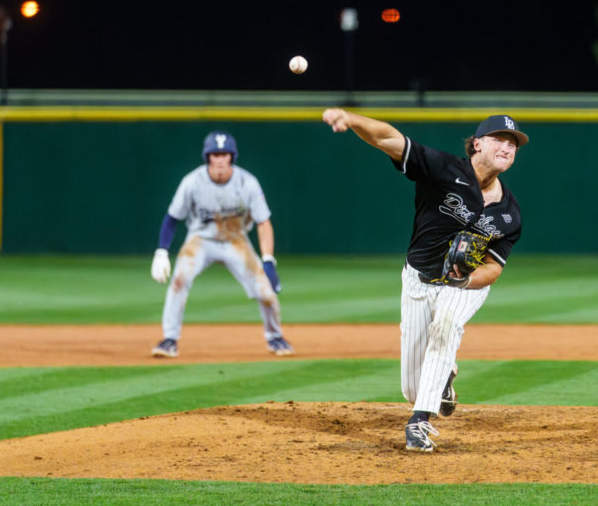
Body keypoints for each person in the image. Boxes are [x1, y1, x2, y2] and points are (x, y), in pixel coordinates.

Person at [322, 109, 528, 452]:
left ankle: (418, 424)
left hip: (464, 285)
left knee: (446, 324)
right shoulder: (443, 169)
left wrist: (465, 282)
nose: (507, 147)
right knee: (413, 388)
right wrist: (352, 119)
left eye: (513, 144)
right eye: (499, 139)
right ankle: (441, 380)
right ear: (477, 144)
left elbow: (493, 267)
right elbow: (388, 139)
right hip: (418, 279)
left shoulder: (509, 213)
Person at [150, 130, 294, 358]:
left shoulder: (247, 182)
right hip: (201, 239)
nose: (219, 159)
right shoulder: (192, 182)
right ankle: (169, 339)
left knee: (266, 291)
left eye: (224, 154)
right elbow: (172, 217)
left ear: (232, 157)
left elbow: (263, 222)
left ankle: (275, 337)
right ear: (207, 157)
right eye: (214, 154)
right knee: (179, 280)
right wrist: (161, 252)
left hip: (236, 241)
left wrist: (268, 260)